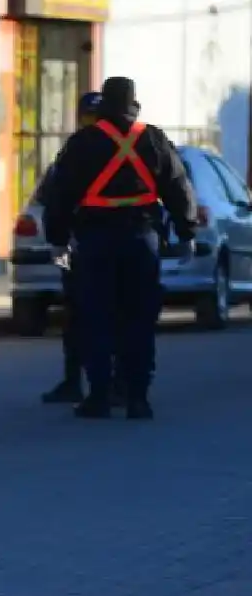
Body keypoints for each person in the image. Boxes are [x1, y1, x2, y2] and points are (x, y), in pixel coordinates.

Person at [42, 76, 197, 420]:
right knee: (138, 318)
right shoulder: (152, 139)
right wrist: (186, 230)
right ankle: (137, 397)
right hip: (142, 239)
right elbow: (177, 185)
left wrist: (57, 238)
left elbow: (61, 193)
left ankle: (98, 396)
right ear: (133, 103)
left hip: (96, 240)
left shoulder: (84, 142)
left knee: (96, 316)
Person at [39, 91, 102, 405]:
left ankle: (102, 385)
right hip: (79, 244)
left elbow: (56, 198)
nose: (91, 124)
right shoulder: (80, 149)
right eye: (87, 117)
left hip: (91, 244)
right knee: (77, 312)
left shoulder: (79, 149)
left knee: (96, 314)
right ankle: (77, 381)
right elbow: (55, 196)